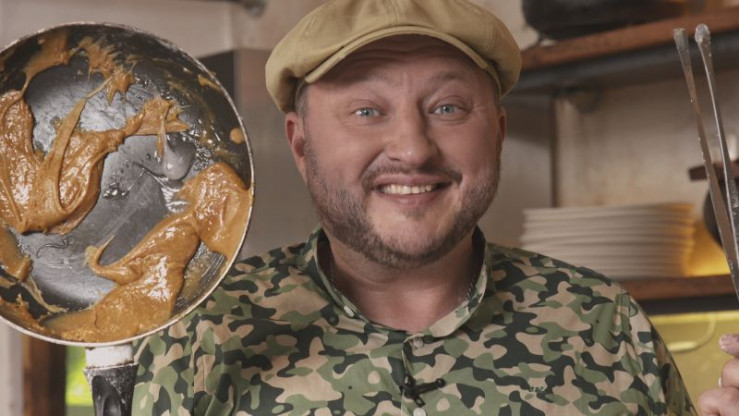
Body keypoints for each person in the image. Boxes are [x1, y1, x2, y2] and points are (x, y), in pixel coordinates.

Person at [132, 0, 697, 414]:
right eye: (366, 111)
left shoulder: (605, 323)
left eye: (448, 107)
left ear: (498, 135)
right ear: (302, 146)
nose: (413, 149)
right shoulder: (199, 338)